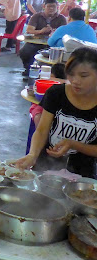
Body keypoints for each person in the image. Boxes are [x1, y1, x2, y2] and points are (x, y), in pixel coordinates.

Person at [16, 48, 97, 178]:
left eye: (83, 75)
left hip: (82, 176)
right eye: (71, 74)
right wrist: (33, 155)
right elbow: (42, 131)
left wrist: (73, 144)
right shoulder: (56, 93)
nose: (75, 80)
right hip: (45, 168)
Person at [19, 0, 67, 75]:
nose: (51, 8)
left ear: (57, 7)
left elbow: (65, 34)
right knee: (24, 52)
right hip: (36, 42)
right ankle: (28, 69)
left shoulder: (61, 18)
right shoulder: (37, 16)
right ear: (44, 6)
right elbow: (29, 30)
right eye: (49, 6)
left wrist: (55, 32)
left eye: (53, 6)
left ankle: (50, 73)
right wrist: (41, 31)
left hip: (53, 45)